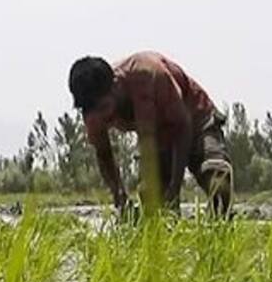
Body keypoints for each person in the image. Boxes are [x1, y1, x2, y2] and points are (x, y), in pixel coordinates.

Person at [68, 52, 234, 217]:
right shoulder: (92, 113)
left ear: (115, 85)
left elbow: (182, 127)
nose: (105, 118)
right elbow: (104, 154)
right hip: (158, 138)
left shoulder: (150, 75)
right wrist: (120, 196)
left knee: (216, 177)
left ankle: (220, 226)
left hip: (196, 119)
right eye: (95, 113)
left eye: (105, 107)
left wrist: (175, 187)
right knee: (152, 203)